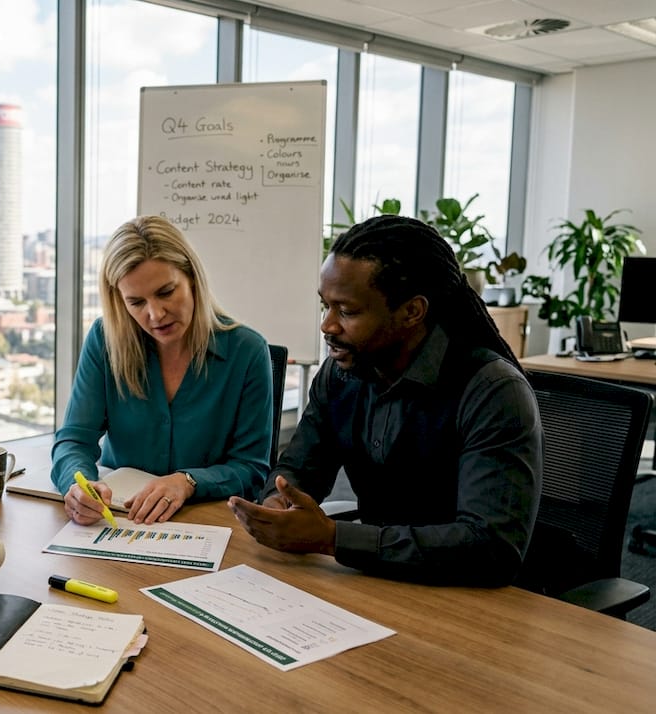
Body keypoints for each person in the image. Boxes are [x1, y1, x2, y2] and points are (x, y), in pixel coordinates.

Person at [229, 214, 543, 586]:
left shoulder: (492, 390)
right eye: (325, 306)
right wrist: (278, 504)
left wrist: (333, 538)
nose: (327, 325)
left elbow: (490, 548)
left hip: (470, 598)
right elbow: (299, 466)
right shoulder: (342, 373)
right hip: (378, 581)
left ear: (412, 311)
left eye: (346, 311)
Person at [53, 215, 273, 526]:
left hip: (206, 527)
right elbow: (74, 440)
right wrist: (78, 486)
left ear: (192, 279)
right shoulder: (105, 340)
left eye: (166, 292)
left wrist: (188, 481)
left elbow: (251, 468)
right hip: (119, 520)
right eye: (136, 302)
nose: (155, 314)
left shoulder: (247, 351)